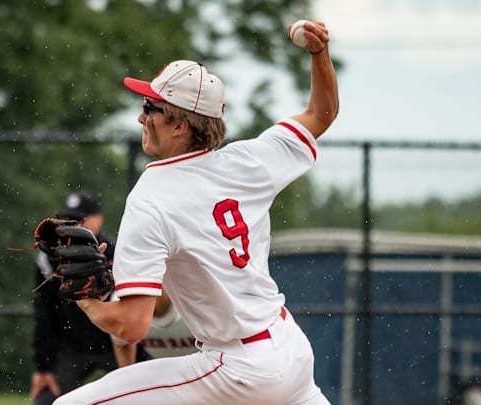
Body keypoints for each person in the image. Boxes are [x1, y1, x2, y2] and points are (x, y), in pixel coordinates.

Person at [57, 20, 338, 404]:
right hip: (289, 350)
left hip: (237, 366)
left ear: (180, 125)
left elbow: (132, 327)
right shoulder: (249, 161)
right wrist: (319, 55)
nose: (141, 117)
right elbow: (322, 114)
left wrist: (87, 301)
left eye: (150, 108)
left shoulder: (152, 197)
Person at [30, 192, 150, 404]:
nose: (77, 224)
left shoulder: (117, 252)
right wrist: (43, 366)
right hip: (74, 346)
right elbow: (44, 314)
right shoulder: (51, 258)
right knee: (46, 398)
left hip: (115, 344)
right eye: (72, 219)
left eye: (83, 218)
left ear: (99, 219)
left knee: (145, 397)